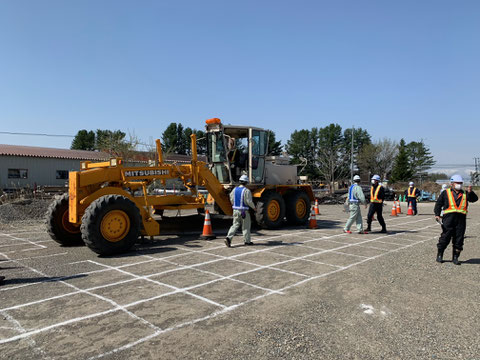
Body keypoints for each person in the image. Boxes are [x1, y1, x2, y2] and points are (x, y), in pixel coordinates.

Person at [434, 174, 478, 265]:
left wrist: (471, 192)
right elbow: (438, 204)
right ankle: (440, 255)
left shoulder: (465, 193)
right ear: (452, 184)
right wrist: (437, 214)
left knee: (459, 239)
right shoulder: (445, 193)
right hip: (448, 219)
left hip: (461, 220)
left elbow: (474, 199)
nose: (459, 184)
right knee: (445, 237)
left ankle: (455, 257)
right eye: (457, 183)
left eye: (461, 183)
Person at [225, 174, 256, 247]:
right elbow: (249, 201)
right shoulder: (246, 191)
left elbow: (231, 198)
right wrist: (254, 208)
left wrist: (234, 205)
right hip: (244, 211)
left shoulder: (234, 189)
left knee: (235, 225)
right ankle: (247, 241)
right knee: (246, 227)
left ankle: (228, 238)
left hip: (235, 210)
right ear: (246, 182)